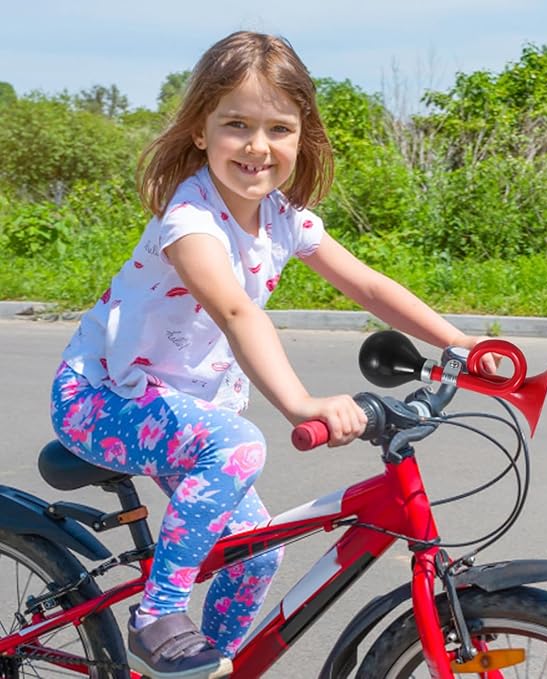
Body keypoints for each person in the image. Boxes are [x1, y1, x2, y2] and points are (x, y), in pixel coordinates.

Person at [50, 31, 497, 679]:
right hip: (100, 396)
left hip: (179, 408)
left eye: (278, 128)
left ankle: (208, 668)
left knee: (255, 552)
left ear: (301, 136)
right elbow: (236, 310)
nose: (257, 146)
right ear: (200, 130)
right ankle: (158, 615)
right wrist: (301, 403)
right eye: (237, 124)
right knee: (236, 445)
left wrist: (458, 342)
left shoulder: (285, 216)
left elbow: (369, 285)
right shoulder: (189, 220)